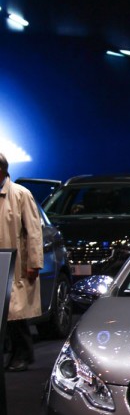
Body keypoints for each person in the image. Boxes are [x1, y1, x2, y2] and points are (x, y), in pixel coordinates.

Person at [0, 152, 44, 371]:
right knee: (5, 314)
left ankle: (23, 355)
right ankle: (13, 355)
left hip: (15, 263)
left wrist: (34, 262)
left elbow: (34, 230)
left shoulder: (20, 194)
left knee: (15, 314)